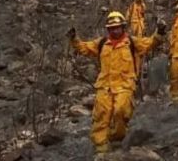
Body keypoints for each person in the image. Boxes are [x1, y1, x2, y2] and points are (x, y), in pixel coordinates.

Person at [68, 12, 166, 153]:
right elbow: (84, 48)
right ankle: (101, 147)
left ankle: (116, 138)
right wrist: (74, 39)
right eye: (112, 28)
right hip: (105, 86)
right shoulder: (101, 43)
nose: (115, 30)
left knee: (121, 111)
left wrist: (160, 32)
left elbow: (150, 43)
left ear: (123, 27)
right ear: (108, 29)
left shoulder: (132, 42)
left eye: (117, 27)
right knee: (101, 115)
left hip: (125, 85)